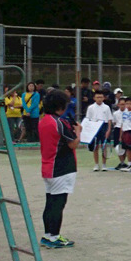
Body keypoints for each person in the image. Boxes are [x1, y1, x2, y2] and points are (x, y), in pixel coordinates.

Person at [38, 88, 79, 248]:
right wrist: (78, 132)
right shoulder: (59, 123)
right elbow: (73, 143)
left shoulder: (44, 120)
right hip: (61, 168)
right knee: (58, 204)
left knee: (50, 202)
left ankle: (48, 234)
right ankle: (54, 237)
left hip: (48, 166)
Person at [83, 89, 113, 171]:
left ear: (103, 98)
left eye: (101, 97)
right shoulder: (90, 107)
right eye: (97, 97)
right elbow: (87, 119)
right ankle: (96, 164)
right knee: (95, 147)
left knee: (104, 147)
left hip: (104, 126)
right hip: (94, 128)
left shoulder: (107, 107)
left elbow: (109, 120)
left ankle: (104, 165)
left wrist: (109, 130)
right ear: (94, 98)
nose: (99, 99)